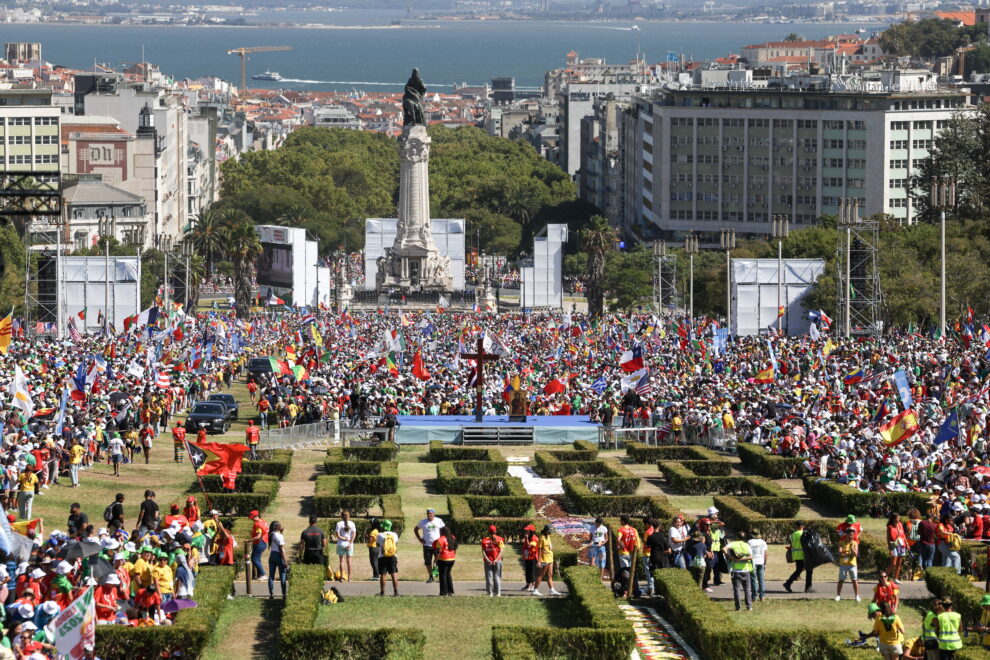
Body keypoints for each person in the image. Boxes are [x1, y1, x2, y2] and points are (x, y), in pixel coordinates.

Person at [414, 509, 445, 584]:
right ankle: (431, 577)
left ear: (434, 514)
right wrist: (420, 539)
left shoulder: (439, 520)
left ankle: (438, 576)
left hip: (437, 545)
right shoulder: (423, 522)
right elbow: (415, 529)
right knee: (428, 562)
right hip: (427, 545)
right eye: (428, 514)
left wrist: (442, 540)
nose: (429, 515)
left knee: (438, 561)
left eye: (430, 513)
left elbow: (444, 530)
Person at [726, 530, 753, 611]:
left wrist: (730, 557)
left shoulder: (733, 544)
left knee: (737, 590)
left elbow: (724, 549)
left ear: (737, 537)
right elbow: (751, 557)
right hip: (745, 570)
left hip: (735, 571)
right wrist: (742, 559)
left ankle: (738, 607)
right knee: (747, 589)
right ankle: (749, 606)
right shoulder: (746, 545)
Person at [783, 520, 813, 593]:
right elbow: (807, 544)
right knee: (809, 570)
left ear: (796, 526)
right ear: (803, 526)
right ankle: (808, 587)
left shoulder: (793, 534)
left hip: (796, 555)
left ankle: (788, 583)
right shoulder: (804, 533)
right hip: (804, 555)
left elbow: (792, 545)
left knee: (798, 570)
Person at [532, 525, 561, 597]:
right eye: (549, 531)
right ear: (546, 530)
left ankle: (552, 590)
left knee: (550, 575)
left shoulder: (548, 537)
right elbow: (539, 550)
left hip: (550, 558)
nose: (551, 532)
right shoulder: (541, 538)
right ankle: (535, 590)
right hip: (544, 559)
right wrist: (539, 561)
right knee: (541, 575)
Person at [835, 531, 861, 602]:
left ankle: (857, 596)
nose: (851, 537)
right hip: (843, 564)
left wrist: (851, 550)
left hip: (852, 564)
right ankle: (838, 595)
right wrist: (849, 554)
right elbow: (840, 554)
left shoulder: (855, 543)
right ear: (846, 535)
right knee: (841, 580)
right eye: (850, 535)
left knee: (854, 580)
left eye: (852, 535)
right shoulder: (841, 543)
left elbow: (856, 554)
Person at [377, 519, 399, 596]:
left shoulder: (380, 535)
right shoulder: (395, 535)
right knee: (394, 574)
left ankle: (382, 592)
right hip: (393, 556)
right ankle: (396, 592)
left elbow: (377, 545)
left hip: (382, 556)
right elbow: (396, 545)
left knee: (383, 574)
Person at [432, 527, 457, 596]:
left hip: (443, 559)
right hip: (452, 559)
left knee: (442, 575)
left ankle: (443, 592)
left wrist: (435, 559)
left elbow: (438, 551)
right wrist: (454, 556)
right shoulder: (452, 537)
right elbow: (455, 548)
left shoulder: (440, 539)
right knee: (448, 575)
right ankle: (451, 592)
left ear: (441, 532)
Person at [333, 510, 356, 582]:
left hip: (341, 544)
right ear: (349, 516)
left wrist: (344, 538)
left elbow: (337, 535)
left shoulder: (339, 524)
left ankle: (342, 577)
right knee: (349, 561)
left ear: (341, 516)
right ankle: (349, 578)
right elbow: (354, 535)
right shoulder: (352, 523)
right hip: (349, 544)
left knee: (341, 561)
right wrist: (350, 543)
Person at [481, 524, 504, 597]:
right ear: (495, 531)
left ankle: (490, 593)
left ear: (488, 531)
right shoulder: (500, 539)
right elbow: (501, 551)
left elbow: (483, 551)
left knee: (489, 577)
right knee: (497, 576)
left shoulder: (484, 540)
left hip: (488, 561)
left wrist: (487, 560)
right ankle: (498, 593)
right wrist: (496, 559)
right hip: (497, 560)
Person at [267, 520, 287, 599]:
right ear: (277, 527)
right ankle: (284, 594)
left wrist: (281, 532)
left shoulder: (271, 534)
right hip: (279, 555)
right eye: (280, 525)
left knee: (271, 576)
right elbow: (281, 549)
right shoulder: (279, 536)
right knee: (282, 575)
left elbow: (275, 542)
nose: (281, 526)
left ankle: (271, 594)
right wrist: (285, 560)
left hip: (272, 555)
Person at [887, 512, 908, 583]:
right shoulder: (890, 527)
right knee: (893, 563)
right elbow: (888, 538)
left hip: (901, 544)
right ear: (893, 519)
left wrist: (907, 544)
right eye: (897, 518)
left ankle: (895, 578)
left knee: (899, 563)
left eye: (899, 518)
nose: (898, 520)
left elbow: (903, 535)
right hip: (893, 545)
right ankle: (885, 577)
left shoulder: (900, 525)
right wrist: (889, 548)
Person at [747, 529, 767, 602]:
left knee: (753, 580)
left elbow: (748, 553)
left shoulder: (750, 542)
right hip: (761, 562)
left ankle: (754, 597)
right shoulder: (763, 542)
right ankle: (762, 597)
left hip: (753, 562)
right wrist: (764, 563)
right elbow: (765, 554)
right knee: (761, 580)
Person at [249, 510, 269, 581]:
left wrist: (249, 540)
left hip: (259, 543)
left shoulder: (257, 524)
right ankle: (261, 575)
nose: (251, 519)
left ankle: (263, 574)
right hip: (264, 543)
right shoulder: (263, 521)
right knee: (258, 559)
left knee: (254, 559)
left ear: (255, 516)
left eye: (252, 518)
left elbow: (258, 536)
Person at [522, 524, 539, 592]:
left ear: (531, 531)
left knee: (532, 572)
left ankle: (533, 585)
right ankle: (528, 585)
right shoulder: (528, 537)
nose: (526, 531)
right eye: (526, 530)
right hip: (527, 557)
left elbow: (529, 546)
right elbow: (525, 547)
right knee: (528, 572)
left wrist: (526, 538)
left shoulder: (534, 538)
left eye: (527, 531)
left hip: (532, 557)